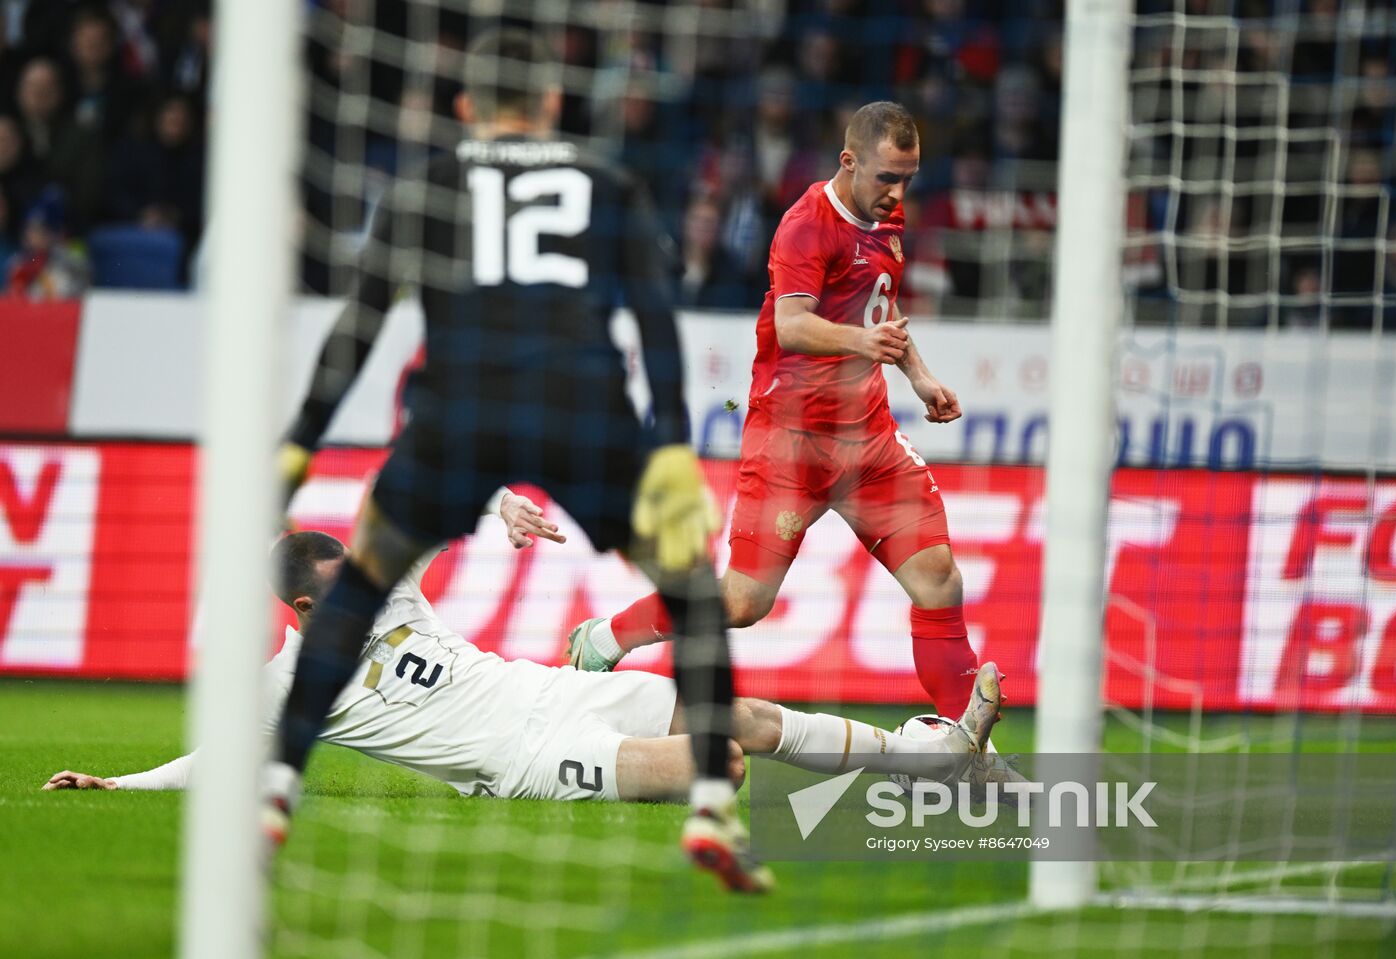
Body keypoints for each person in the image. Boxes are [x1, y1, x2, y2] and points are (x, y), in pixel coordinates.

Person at [269, 29, 759, 892]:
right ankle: (713, 800)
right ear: (554, 104)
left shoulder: (426, 187)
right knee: (688, 582)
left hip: (456, 416)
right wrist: (674, 447)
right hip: (582, 411)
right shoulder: (608, 185)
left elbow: (359, 329)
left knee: (358, 587)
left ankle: (275, 784)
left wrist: (302, 439)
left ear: (466, 107)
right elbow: (655, 325)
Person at [44, 530, 1004, 804]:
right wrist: (112, 782)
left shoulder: (395, 592)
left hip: (555, 687)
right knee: (725, 763)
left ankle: (933, 758)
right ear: (303, 611)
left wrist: (501, 503)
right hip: (525, 758)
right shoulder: (290, 687)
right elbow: (211, 762)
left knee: (740, 714)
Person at [568, 101, 980, 719]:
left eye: (909, 178)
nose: (898, 194)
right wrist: (863, 343)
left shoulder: (885, 219)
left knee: (940, 581)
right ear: (849, 161)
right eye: (887, 178)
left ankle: (968, 743)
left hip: (867, 439)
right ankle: (606, 637)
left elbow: (879, 310)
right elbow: (791, 325)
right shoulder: (806, 225)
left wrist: (918, 376)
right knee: (743, 603)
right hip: (792, 441)